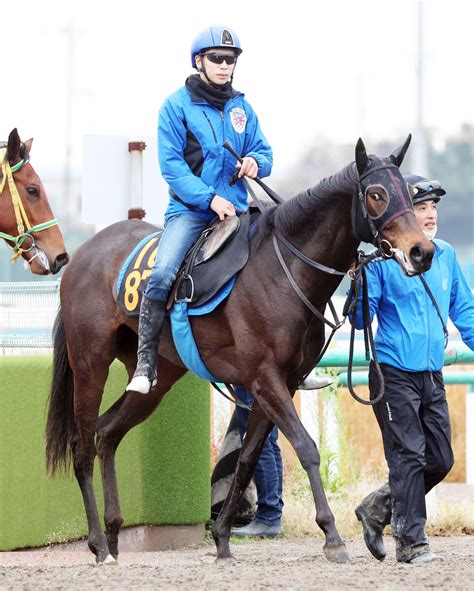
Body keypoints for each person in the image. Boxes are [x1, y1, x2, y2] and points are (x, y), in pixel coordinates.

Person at [126, 24, 272, 394]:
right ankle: (145, 364)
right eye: (217, 59)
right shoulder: (175, 106)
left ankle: (285, 362)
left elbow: (265, 152)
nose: (225, 66)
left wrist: (255, 161)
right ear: (199, 61)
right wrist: (209, 198)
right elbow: (171, 168)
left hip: (238, 213)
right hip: (190, 213)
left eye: (231, 60)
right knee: (160, 276)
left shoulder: (242, 107)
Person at [352, 175, 474, 564]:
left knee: (440, 459)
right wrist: (360, 280)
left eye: (433, 207)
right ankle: (411, 543)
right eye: (421, 208)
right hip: (393, 372)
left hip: (430, 373)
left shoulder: (448, 256)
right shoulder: (383, 262)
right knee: (408, 456)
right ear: (404, 216)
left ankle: (377, 508)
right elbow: (358, 321)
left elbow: (466, 313)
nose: (430, 214)